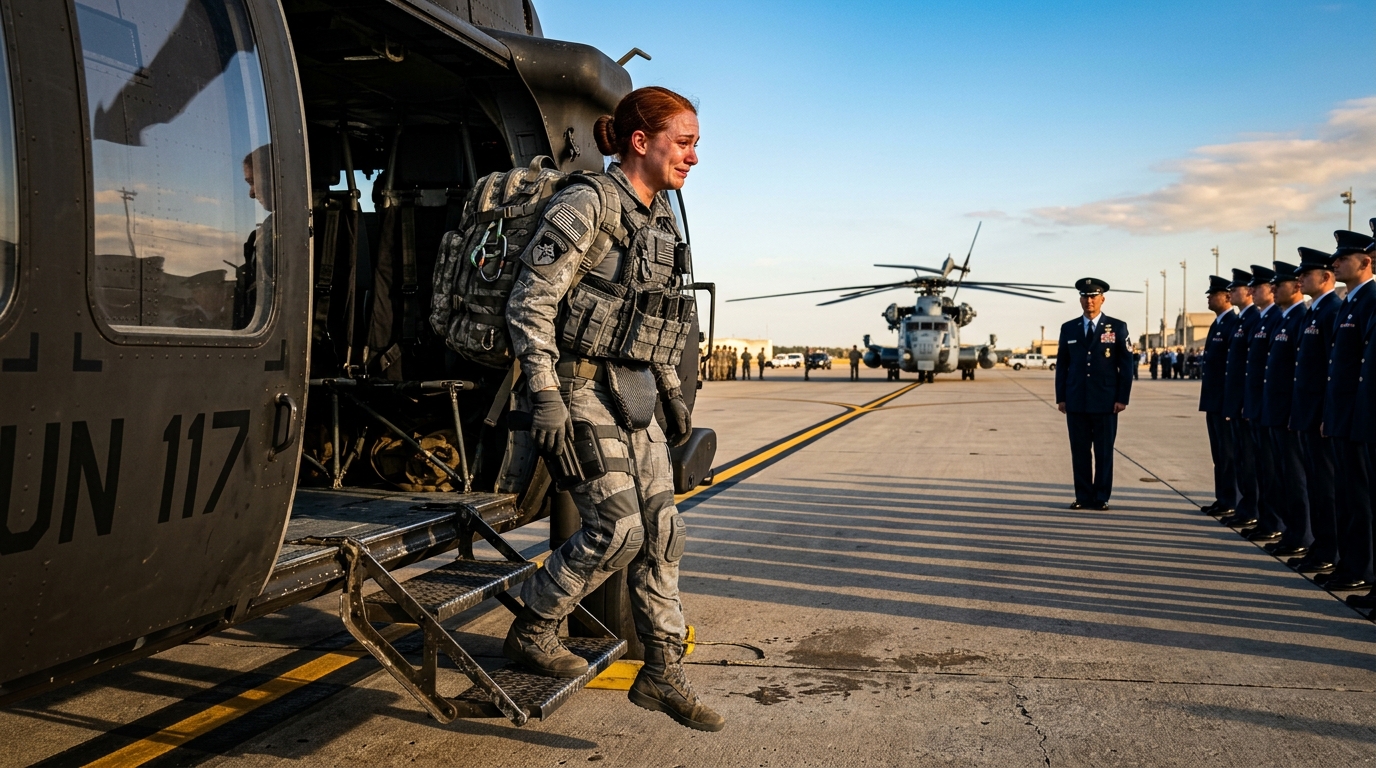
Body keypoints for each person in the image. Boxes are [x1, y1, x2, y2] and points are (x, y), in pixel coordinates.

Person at [502, 86, 724, 731]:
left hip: (634, 394)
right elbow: (531, 303)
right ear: (640, 141)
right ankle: (535, 625)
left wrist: (674, 397)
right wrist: (544, 392)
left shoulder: (657, 221)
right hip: (575, 388)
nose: (693, 157)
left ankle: (661, 672)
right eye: (684, 143)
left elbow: (647, 320)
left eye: (695, 145)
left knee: (662, 533)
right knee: (619, 529)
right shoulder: (587, 205)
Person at [1319, 230, 1376, 593]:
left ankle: (1362, 568)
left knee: (1361, 497)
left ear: (1364, 262)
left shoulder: (1367, 299)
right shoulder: (1353, 303)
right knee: (1350, 496)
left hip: (1363, 416)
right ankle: (1353, 566)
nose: (1335, 263)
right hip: (1350, 416)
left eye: (1343, 258)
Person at [1055, 278, 1133, 510]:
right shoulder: (1068, 328)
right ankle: (1082, 496)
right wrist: (1061, 397)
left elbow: (1126, 365)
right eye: (1085, 296)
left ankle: (1101, 497)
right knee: (1079, 451)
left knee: (1103, 451)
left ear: (1102, 299)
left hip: (1106, 401)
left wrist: (1122, 397)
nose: (1089, 300)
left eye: (1093, 296)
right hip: (1076, 399)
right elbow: (1062, 365)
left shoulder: (1117, 327)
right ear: (1080, 299)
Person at [1288, 248, 1341, 575]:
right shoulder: (1314, 312)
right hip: (1307, 413)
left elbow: (1332, 371)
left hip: (1321, 415)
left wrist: (1325, 413)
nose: (1300, 279)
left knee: (1326, 487)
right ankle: (1321, 547)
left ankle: (1330, 550)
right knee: (1317, 485)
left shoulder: (1331, 310)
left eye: (1306, 274)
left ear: (1326, 277)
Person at [1259, 261, 1311, 555]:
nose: (1272, 289)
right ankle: (1293, 533)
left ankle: (1303, 536)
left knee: (1297, 478)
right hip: (1278, 411)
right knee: (1282, 475)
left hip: (1294, 413)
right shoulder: (1285, 318)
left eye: (1278, 285)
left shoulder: (1300, 316)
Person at [1239, 266, 1285, 543]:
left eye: (1258, 287)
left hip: (1280, 410)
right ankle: (1269, 521)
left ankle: (1284, 527)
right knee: (1262, 468)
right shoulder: (1265, 320)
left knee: (1281, 473)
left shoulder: (1281, 318)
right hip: (1261, 406)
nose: (1250, 291)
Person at [1219, 269, 1260, 529]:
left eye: (1234, 289)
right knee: (1242, 459)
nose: (1229, 293)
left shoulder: (1254, 318)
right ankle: (1247, 508)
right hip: (1238, 402)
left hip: (1249, 404)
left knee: (1252, 462)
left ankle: (1255, 511)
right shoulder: (1243, 321)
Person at [1198, 275, 1238, 518]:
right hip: (1213, 401)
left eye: (1212, 294)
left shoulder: (1232, 323)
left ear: (1226, 297)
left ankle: (1231, 499)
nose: (1208, 298)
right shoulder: (1218, 324)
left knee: (1228, 454)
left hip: (1223, 402)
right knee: (1218, 454)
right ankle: (1222, 498)